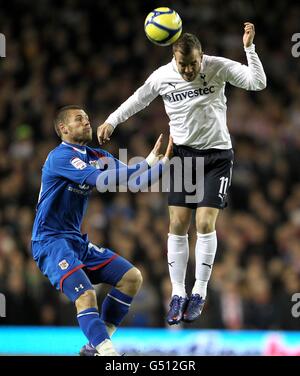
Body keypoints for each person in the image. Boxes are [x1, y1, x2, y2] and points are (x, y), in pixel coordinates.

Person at [97, 23, 266, 325]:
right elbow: (138, 99)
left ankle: (199, 291)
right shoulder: (163, 76)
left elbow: (258, 83)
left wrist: (249, 49)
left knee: (204, 222)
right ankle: (178, 293)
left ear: (202, 58)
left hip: (217, 156)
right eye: (183, 65)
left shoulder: (217, 67)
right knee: (177, 223)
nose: (188, 70)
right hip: (184, 156)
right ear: (174, 59)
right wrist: (112, 121)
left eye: (193, 64)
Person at [31, 105, 172, 356]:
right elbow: (101, 180)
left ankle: (94, 346)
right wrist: (148, 161)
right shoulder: (60, 157)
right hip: (50, 241)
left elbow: (134, 181)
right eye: (79, 119)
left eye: (87, 118)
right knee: (85, 294)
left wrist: (162, 164)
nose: (86, 122)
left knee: (131, 278)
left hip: (75, 241)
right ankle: (108, 353)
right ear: (63, 128)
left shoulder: (95, 155)